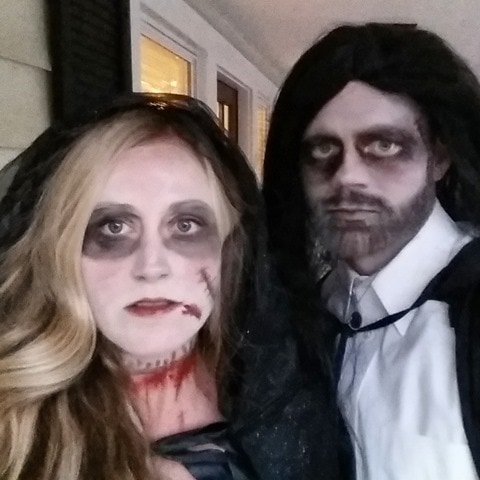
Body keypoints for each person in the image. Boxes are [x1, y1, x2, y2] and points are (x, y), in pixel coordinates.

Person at [237, 22, 480, 480]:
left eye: (383, 145)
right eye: (321, 150)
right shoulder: (299, 312)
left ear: (439, 157)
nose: (347, 177)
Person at [0, 93, 261, 480]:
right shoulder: (15, 420)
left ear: (230, 246)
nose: (152, 268)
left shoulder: (282, 383)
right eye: (114, 227)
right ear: (63, 248)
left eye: (186, 225)